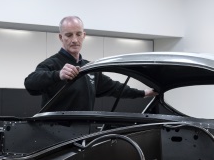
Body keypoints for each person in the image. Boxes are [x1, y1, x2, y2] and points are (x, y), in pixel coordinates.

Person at [24, 16, 156, 111]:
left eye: (78, 34)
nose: (74, 40)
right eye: (69, 35)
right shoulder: (51, 64)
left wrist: (144, 93)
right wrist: (58, 75)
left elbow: (115, 88)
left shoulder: (89, 68)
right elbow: (30, 82)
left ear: (84, 35)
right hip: (55, 134)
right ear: (61, 37)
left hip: (84, 132)